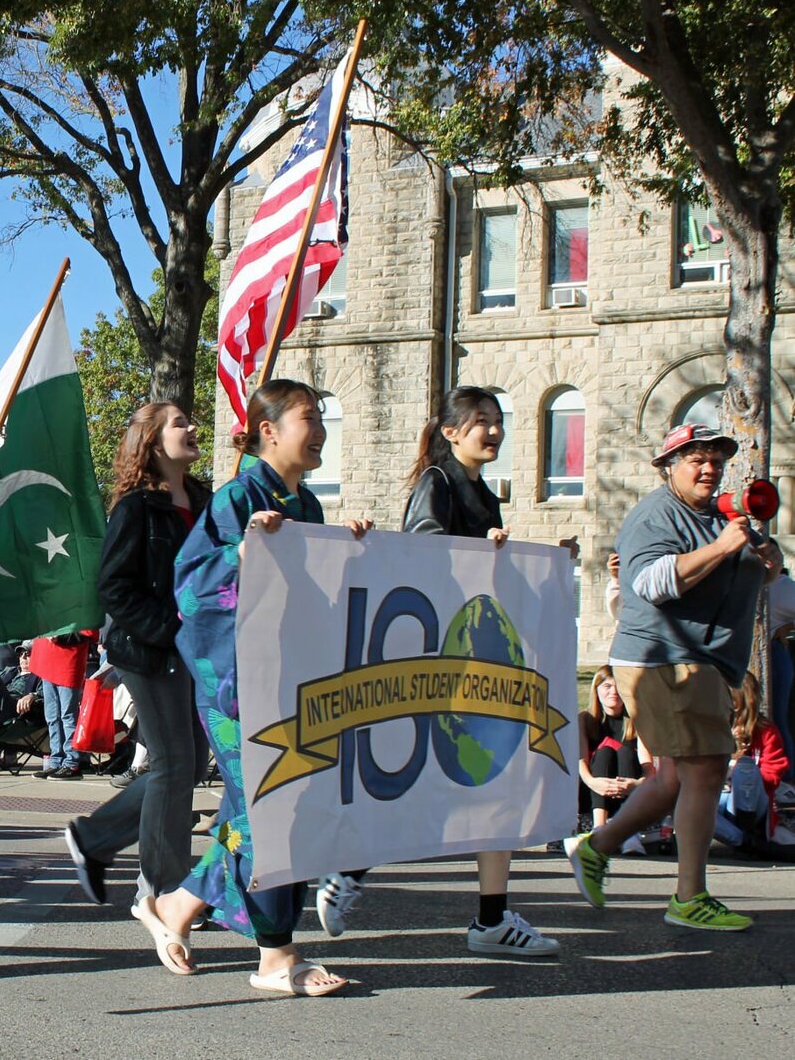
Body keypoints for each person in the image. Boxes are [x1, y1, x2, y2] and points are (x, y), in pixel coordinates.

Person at [314, 386, 566, 957]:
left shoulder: (481, 492)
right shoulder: (440, 482)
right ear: (452, 432)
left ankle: (491, 920)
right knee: (420, 779)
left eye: (499, 420)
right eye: (481, 421)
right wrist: (482, 549)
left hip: (474, 654)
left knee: (496, 780)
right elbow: (422, 551)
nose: (493, 431)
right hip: (441, 655)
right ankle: (348, 869)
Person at [132, 381, 365, 996]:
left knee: (250, 810)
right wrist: (242, 550)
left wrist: (353, 548)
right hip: (238, 682)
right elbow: (192, 587)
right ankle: (276, 957)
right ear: (269, 430)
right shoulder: (238, 496)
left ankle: (175, 907)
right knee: (272, 808)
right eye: (308, 419)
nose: (318, 431)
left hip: (292, 680)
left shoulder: (307, 506)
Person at [565, 422, 782, 931]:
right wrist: (725, 548)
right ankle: (689, 897)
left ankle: (597, 846)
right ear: (668, 467)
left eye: (715, 460)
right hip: (665, 657)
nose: (709, 468)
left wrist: (765, 563)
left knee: (672, 778)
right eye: (695, 459)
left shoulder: (721, 517)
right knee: (706, 770)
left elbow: (740, 575)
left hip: (699, 660)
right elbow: (651, 583)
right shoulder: (655, 516)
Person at [63, 402, 209, 906]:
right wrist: (171, 631)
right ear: (151, 441)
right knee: (173, 764)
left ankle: (95, 838)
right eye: (179, 423)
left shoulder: (205, 499)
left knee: (188, 767)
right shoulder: (135, 508)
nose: (192, 427)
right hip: (149, 652)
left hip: (192, 652)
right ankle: (164, 887)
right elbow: (115, 588)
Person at [714, 673, 791, 850]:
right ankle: (744, 841)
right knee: (687, 805)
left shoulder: (764, 730)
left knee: (745, 767)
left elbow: (774, 771)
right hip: (719, 797)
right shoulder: (712, 728)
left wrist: (743, 778)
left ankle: (747, 823)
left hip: (753, 800)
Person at [579, 666, 652, 834]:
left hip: (630, 789)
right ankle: (599, 827)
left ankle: (628, 831)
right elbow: (581, 761)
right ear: (596, 690)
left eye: (619, 687)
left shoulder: (636, 719)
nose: (614, 692)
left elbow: (647, 764)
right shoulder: (584, 719)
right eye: (607, 686)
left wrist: (637, 784)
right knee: (604, 752)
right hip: (593, 790)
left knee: (626, 751)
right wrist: (593, 782)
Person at [31, 629, 97, 779]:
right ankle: (56, 761)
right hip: (48, 660)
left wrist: (62, 637)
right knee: (52, 716)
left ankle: (72, 763)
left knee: (68, 716)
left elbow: (89, 631)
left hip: (68, 662)